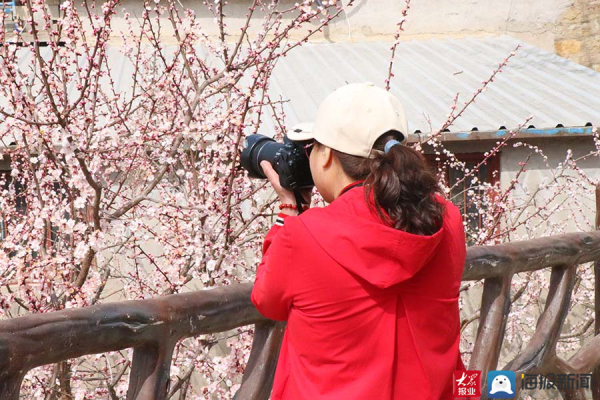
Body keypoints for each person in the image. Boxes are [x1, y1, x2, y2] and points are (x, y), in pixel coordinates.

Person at [251, 83, 466, 400]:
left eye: (311, 149)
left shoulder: (305, 234)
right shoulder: (447, 218)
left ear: (325, 157)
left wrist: (288, 211)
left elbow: (267, 301)